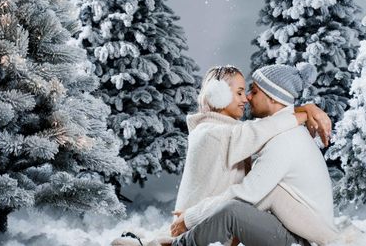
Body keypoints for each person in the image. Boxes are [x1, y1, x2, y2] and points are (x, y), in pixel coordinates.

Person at [112, 65, 331, 246]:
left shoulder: (276, 139)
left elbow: (247, 190)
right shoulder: (215, 133)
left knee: (234, 210)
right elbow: (256, 131)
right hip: (272, 228)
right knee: (233, 211)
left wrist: (302, 110)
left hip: (296, 236)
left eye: (252, 91)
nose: (246, 98)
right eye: (240, 92)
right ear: (218, 94)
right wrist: (302, 112)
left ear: (273, 98)